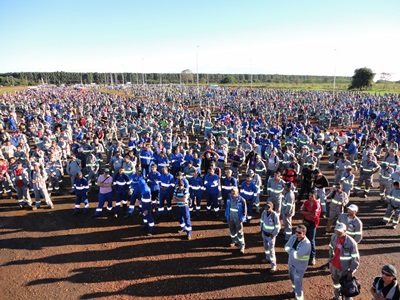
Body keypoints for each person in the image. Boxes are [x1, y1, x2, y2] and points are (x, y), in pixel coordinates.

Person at [328, 223, 360, 300]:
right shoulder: (334, 237)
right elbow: (331, 248)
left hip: (344, 270)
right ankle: (337, 297)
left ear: (345, 231)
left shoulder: (351, 243)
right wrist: (330, 260)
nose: (338, 232)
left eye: (340, 231)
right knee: (336, 284)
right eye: (336, 231)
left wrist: (352, 270)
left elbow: (355, 258)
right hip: (334, 266)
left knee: (346, 287)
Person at [284, 224, 311, 300]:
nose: (296, 233)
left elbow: (297, 255)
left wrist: (290, 250)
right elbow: (286, 247)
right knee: (293, 280)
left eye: (299, 233)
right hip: (291, 264)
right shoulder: (293, 237)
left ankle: (299, 298)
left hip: (299, 267)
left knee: (297, 283)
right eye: (296, 231)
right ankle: (294, 292)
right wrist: (292, 251)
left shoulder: (306, 244)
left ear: (304, 234)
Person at [300, 190, 321, 266]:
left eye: (312, 196)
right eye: (309, 195)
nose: (310, 197)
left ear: (315, 197)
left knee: (311, 240)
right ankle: (305, 255)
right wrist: (309, 213)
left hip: (312, 223)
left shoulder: (317, 204)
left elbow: (314, 215)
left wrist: (306, 213)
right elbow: (301, 211)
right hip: (306, 222)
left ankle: (313, 257)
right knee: (304, 238)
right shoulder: (306, 202)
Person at [225, 186, 247, 254]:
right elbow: (227, 207)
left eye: (234, 191)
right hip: (231, 218)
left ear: (238, 192)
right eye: (232, 191)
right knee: (232, 231)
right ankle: (233, 241)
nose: (233, 192)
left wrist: (243, 218)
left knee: (239, 232)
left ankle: (242, 246)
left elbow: (245, 210)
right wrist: (226, 215)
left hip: (238, 219)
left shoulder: (242, 200)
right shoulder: (229, 198)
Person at [260, 201, 280, 273]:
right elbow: (261, 221)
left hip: (271, 236)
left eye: (268, 207)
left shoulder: (275, 215)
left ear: (272, 207)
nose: (267, 208)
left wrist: (273, 234)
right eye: (266, 206)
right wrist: (261, 229)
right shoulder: (264, 213)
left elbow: (278, 227)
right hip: (264, 234)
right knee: (266, 247)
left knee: (271, 250)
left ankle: (273, 266)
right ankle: (267, 258)